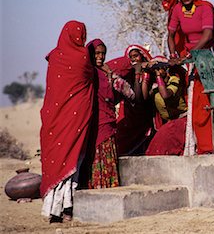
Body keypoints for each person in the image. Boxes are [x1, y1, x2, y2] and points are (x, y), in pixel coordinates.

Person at [162, 0, 214, 155]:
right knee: (195, 103)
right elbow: (170, 35)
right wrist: (174, 55)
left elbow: (207, 36)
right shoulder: (177, 10)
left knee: (210, 101)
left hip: (209, 57)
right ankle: (201, 146)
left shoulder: (205, 7)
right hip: (190, 60)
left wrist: (189, 56)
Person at [40, 20, 94, 223]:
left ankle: (53, 209)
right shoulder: (83, 56)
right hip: (76, 116)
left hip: (54, 117)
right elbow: (89, 78)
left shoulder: (54, 56)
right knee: (73, 158)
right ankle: (66, 207)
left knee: (59, 157)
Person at [85, 39, 135, 189]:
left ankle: (107, 186)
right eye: (97, 53)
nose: (100, 57)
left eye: (103, 54)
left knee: (107, 153)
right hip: (93, 122)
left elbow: (129, 93)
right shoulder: (86, 73)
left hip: (108, 120)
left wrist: (110, 73)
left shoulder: (106, 73)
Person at [113, 44, 154, 156]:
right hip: (129, 115)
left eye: (136, 56)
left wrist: (139, 73)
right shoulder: (128, 74)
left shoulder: (149, 72)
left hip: (144, 116)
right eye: (131, 57)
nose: (134, 59)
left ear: (142, 56)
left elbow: (141, 98)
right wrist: (136, 73)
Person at [142, 56, 188, 155]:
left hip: (181, 120)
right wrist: (146, 74)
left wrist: (158, 76)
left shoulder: (174, 80)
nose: (157, 71)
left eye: (159, 68)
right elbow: (144, 96)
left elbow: (165, 95)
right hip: (168, 123)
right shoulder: (155, 86)